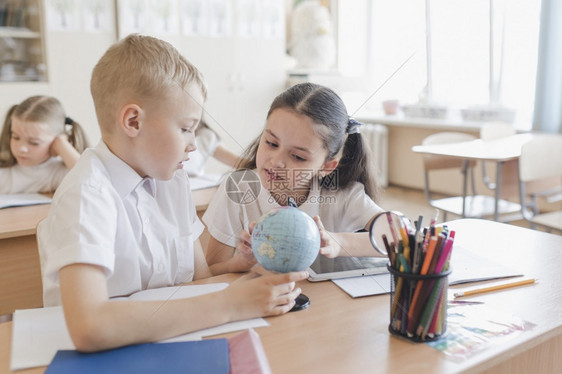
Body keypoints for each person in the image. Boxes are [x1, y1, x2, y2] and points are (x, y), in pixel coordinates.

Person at [37, 34, 308, 352]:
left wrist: (239, 266)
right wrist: (230, 305)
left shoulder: (173, 182)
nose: (194, 143)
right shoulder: (87, 194)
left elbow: (196, 278)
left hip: (172, 344)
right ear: (133, 121)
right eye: (185, 128)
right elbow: (89, 326)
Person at [203, 82, 385, 275]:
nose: (276, 161)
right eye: (272, 143)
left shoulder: (343, 195)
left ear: (326, 166)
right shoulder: (237, 190)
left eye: (297, 156)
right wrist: (241, 263)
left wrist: (338, 242)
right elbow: (211, 272)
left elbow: (401, 238)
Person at [0, 95, 89, 194]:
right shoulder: (5, 170)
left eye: (34, 143)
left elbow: (90, 180)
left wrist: (62, 145)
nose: (21, 148)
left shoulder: (58, 172)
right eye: (16, 137)